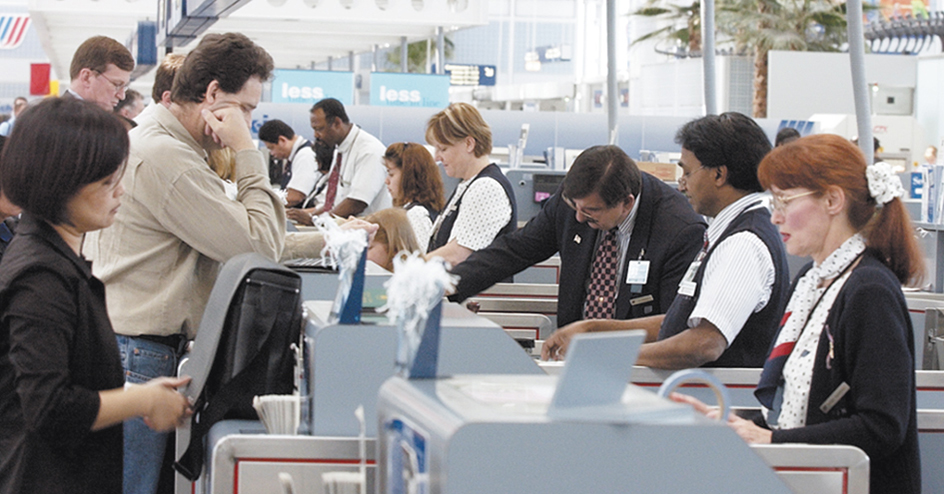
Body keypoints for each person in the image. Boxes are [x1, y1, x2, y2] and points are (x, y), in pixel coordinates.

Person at [82, 33, 284, 494]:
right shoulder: (169, 159)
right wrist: (247, 151)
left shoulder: (162, 143)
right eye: (246, 109)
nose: (248, 121)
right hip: (141, 355)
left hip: (133, 348)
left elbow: (242, 232)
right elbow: (259, 245)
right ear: (214, 96)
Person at [675, 134, 923, 494]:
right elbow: (797, 409)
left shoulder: (869, 291)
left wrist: (770, 440)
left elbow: (882, 427)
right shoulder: (813, 279)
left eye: (784, 201)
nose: (775, 216)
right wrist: (734, 423)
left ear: (833, 200)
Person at [0, 97, 191, 494]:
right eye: (106, 183)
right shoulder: (41, 277)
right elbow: (49, 407)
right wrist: (141, 403)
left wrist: (139, 393)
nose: (120, 193)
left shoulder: (55, 257)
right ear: (59, 182)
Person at [543, 113, 789, 369]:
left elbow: (703, 343)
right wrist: (592, 330)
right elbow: (678, 323)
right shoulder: (731, 232)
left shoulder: (742, 244)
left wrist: (603, 358)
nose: (682, 185)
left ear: (719, 175)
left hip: (718, 401)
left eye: (687, 171)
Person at [450, 145, 706, 328]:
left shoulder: (679, 230)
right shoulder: (575, 201)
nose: (580, 219)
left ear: (626, 203)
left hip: (641, 366)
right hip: (572, 355)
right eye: (575, 208)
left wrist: (599, 338)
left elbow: (675, 323)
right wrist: (448, 287)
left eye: (591, 212)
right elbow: (514, 250)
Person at [424, 103, 517, 266]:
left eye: (443, 149)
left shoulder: (487, 188)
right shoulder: (467, 185)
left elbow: (457, 255)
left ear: (469, 144)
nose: (436, 157)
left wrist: (407, 269)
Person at [286, 98, 390, 223]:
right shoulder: (339, 149)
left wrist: (315, 221)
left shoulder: (369, 151)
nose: (315, 135)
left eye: (319, 129)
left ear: (336, 123)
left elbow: (356, 202)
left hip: (369, 234)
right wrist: (309, 215)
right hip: (343, 229)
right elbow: (334, 201)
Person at [383, 142, 445, 251]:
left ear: (409, 176)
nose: (386, 181)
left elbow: (419, 258)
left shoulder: (416, 215)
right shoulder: (423, 210)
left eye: (391, 174)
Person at [258, 119, 320, 207]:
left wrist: (264, 204)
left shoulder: (305, 155)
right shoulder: (296, 156)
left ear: (282, 140)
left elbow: (295, 196)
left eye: (271, 148)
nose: (272, 154)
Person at [64, 36, 134, 111]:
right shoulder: (63, 120)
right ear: (86, 78)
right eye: (116, 85)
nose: (121, 96)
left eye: (124, 87)